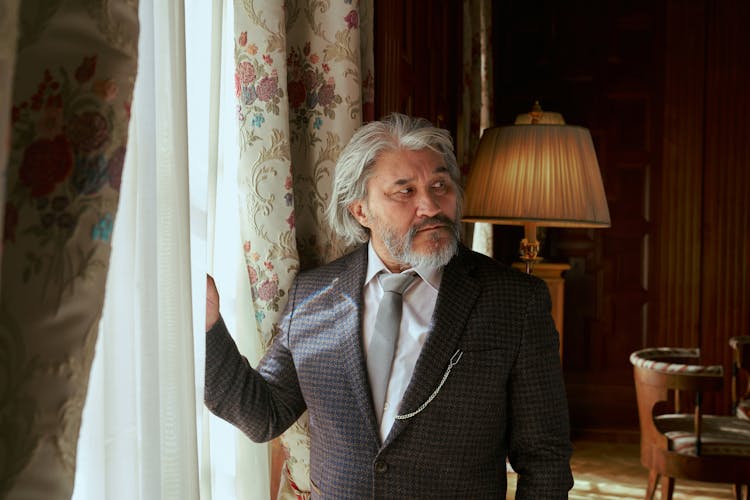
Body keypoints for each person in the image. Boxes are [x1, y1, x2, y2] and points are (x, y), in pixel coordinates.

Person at [204, 113, 574, 498]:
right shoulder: (313, 295)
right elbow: (264, 414)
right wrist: (209, 328)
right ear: (361, 210)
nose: (430, 206)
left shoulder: (514, 301)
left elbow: (544, 458)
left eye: (440, 185)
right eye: (405, 191)